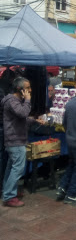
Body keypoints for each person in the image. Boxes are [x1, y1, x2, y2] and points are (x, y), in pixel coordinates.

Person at [1, 77, 32, 207]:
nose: (30, 90)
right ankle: (9, 196)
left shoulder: (14, 101)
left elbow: (20, 118)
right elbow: (22, 113)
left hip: (15, 139)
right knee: (17, 169)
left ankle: (7, 190)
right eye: (28, 88)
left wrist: (34, 120)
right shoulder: (12, 101)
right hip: (15, 139)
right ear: (20, 89)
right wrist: (28, 100)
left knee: (11, 167)